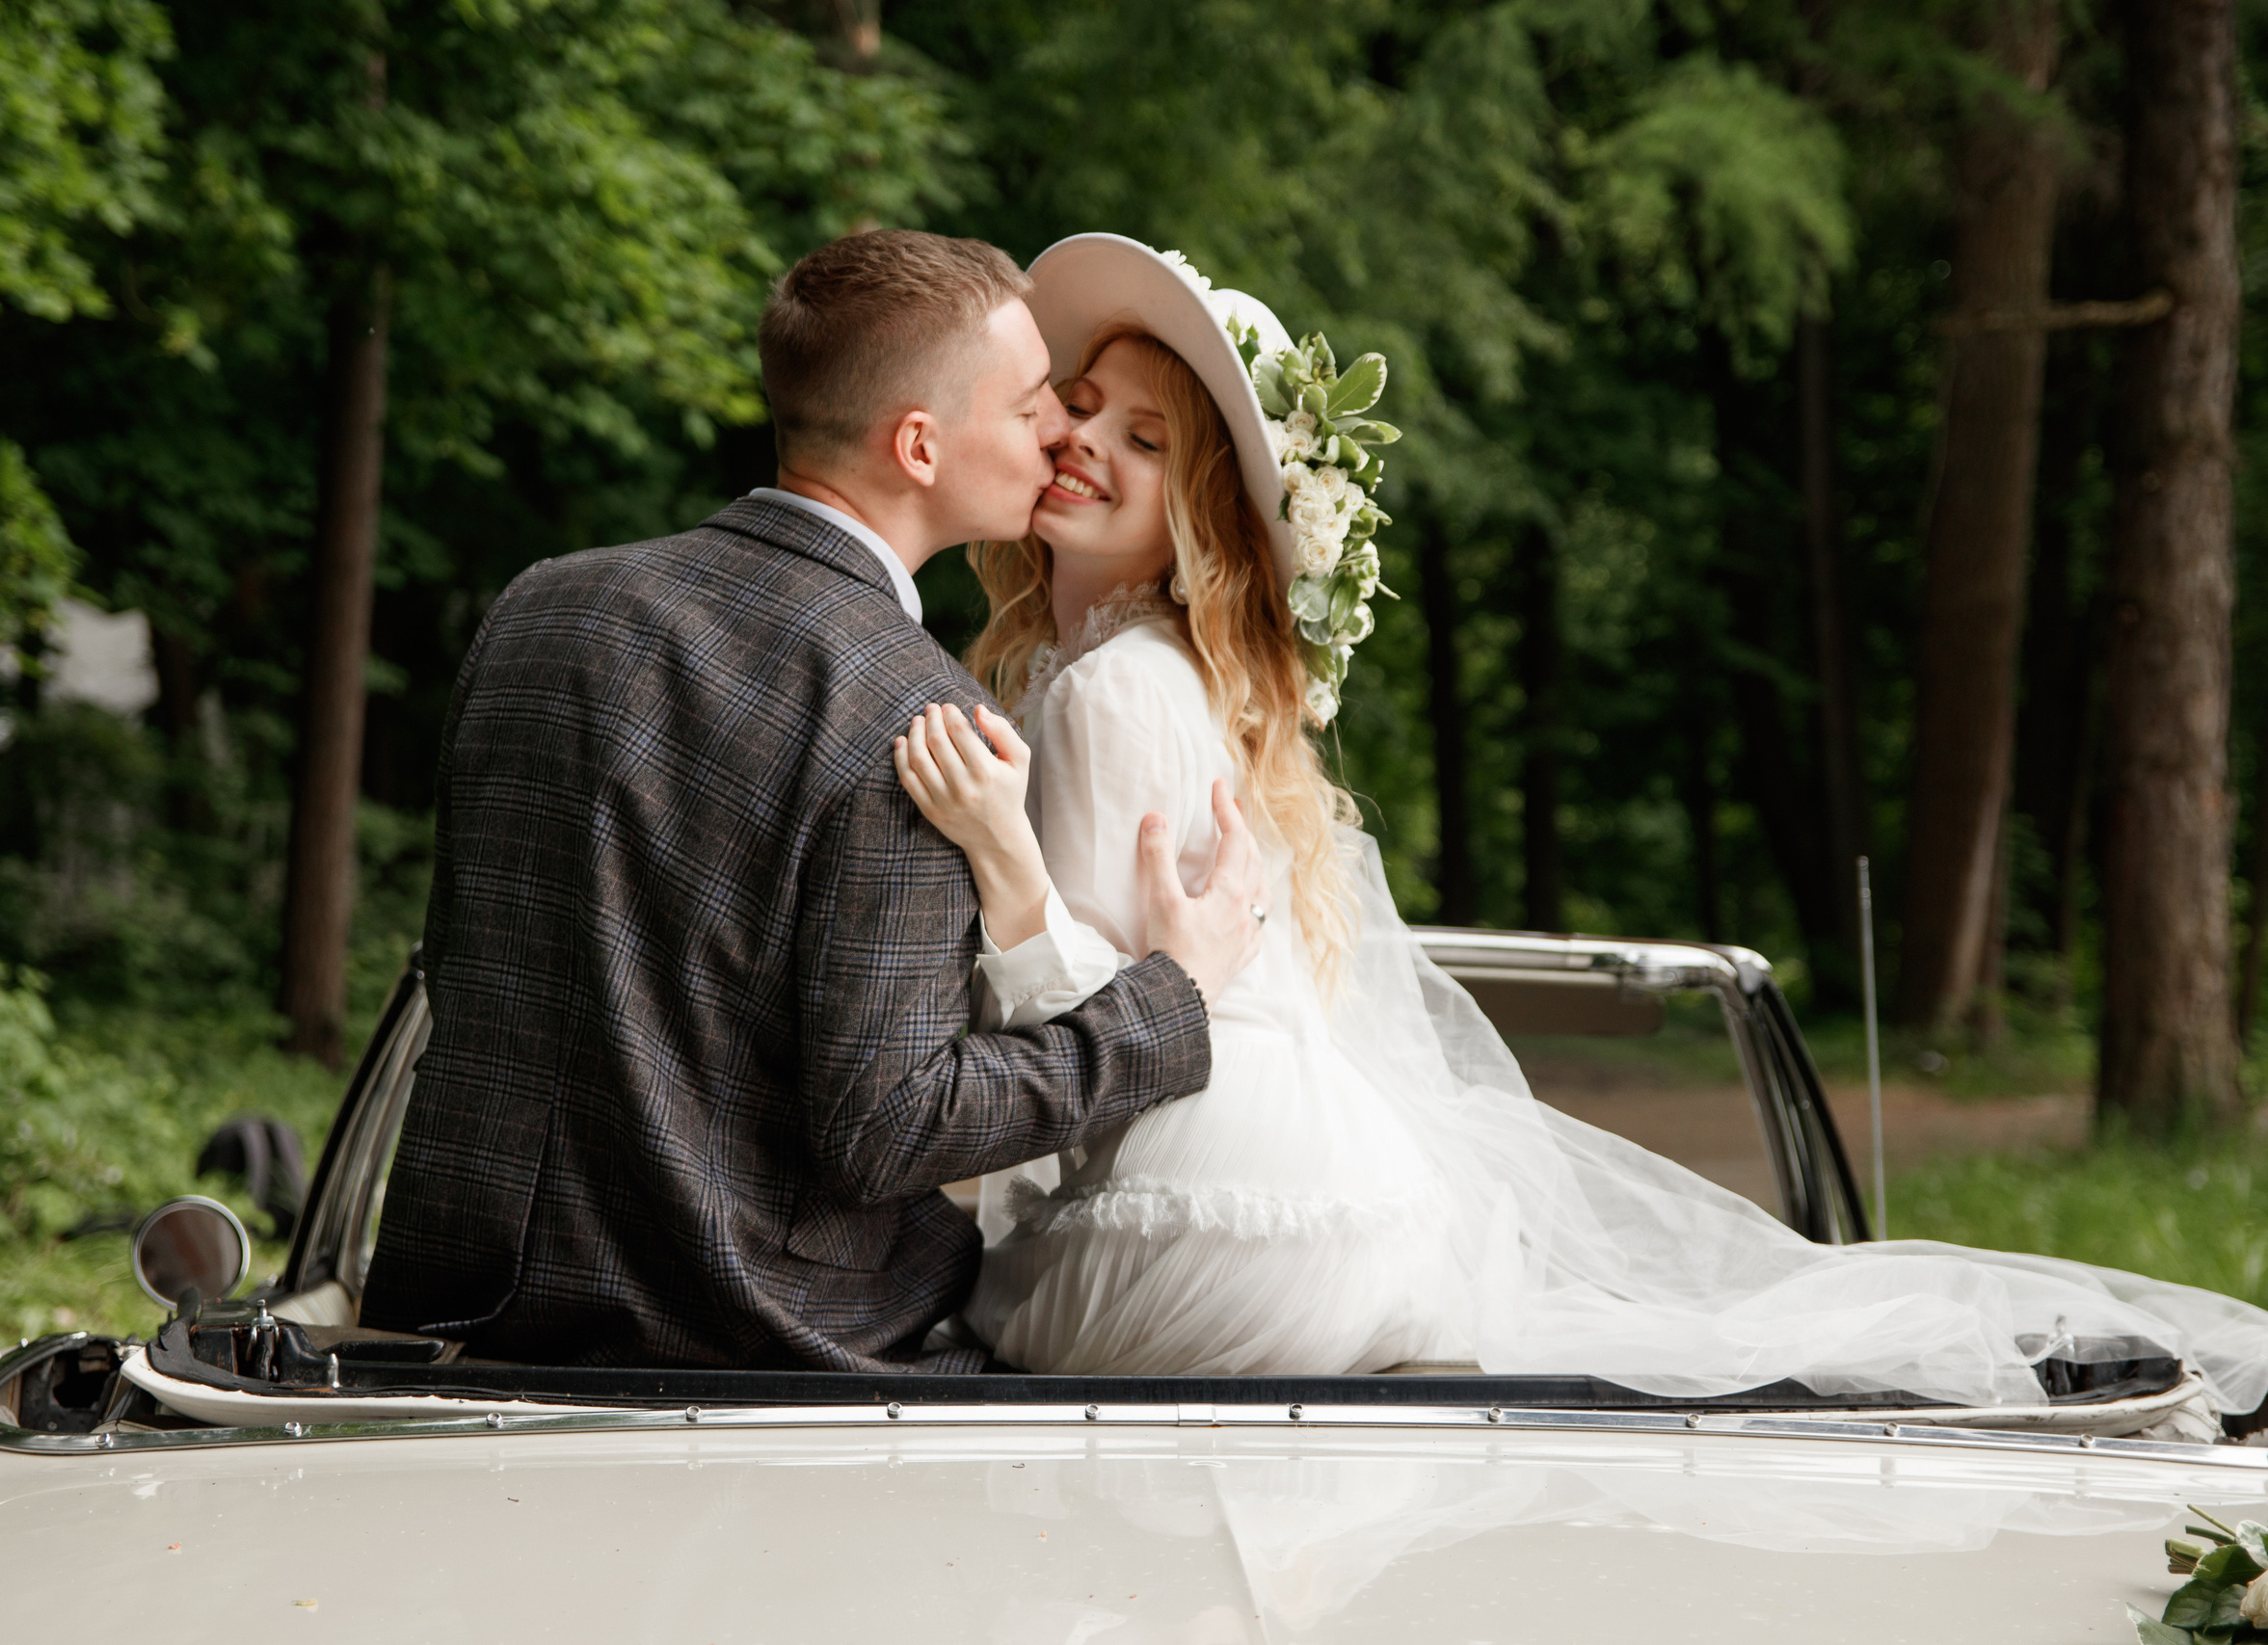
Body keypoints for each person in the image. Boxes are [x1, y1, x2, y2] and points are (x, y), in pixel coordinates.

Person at [894, 233, 2268, 1427]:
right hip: (1335, 1216)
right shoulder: (1157, 679)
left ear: (1199, 516)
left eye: (1146, 440)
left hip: (1200, 1232)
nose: (1083, 442)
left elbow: (1082, 1039)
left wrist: (1000, 884)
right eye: (1077, 407)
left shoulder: (1108, 691)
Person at [359, 229, 1271, 1372]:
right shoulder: (917, 716)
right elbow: (889, 1127)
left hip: (458, 1314)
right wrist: (1164, 1006)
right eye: (1034, 399)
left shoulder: (542, 609)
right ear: (919, 445)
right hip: (753, 1346)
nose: (1057, 428)